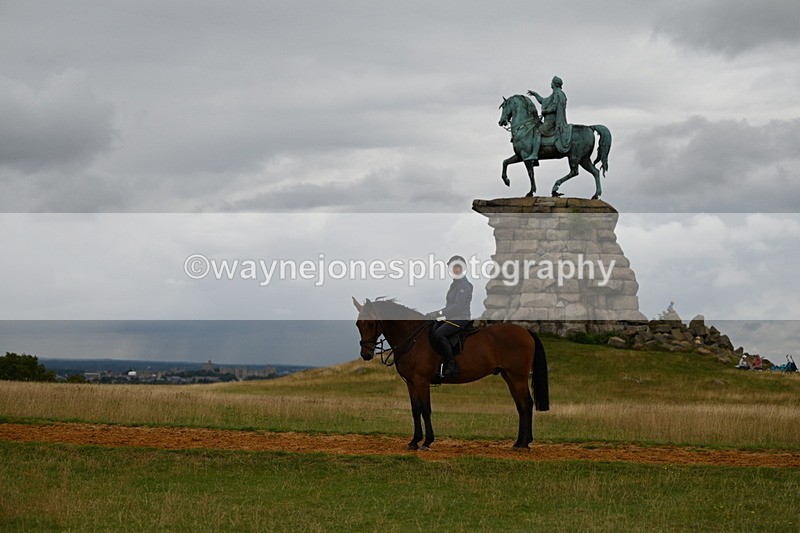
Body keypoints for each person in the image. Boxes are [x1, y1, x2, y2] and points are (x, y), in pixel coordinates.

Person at [428, 255, 473, 378]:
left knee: (439, 334)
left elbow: (457, 307)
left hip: (461, 318)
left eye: (458, 267)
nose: (455, 270)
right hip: (452, 318)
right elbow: (450, 306)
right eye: (453, 268)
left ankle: (451, 365)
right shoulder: (455, 285)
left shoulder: (463, 285)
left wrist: (439, 313)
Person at [526, 76, 570, 162]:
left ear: (554, 84)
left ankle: (535, 154)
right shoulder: (555, 94)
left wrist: (545, 111)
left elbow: (554, 108)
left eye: (552, 82)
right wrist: (535, 94)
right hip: (550, 121)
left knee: (538, 132)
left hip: (552, 122)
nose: (551, 84)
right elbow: (543, 101)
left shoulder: (557, 94)